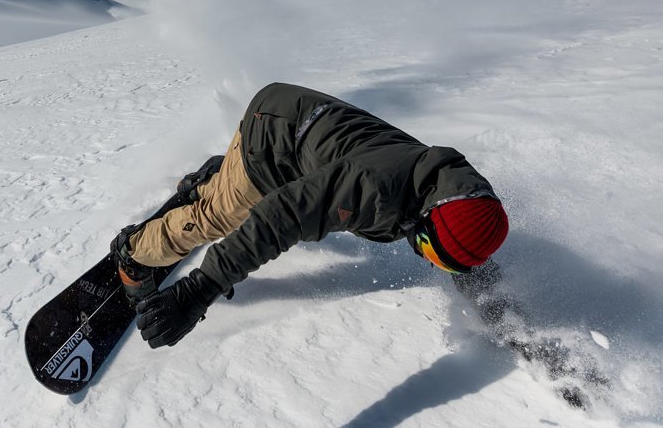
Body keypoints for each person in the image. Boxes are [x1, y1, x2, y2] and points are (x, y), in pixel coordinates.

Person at [111, 82, 509, 349]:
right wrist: (200, 289)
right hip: (270, 145)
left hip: (300, 126)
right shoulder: (374, 188)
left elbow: (462, 235)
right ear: (428, 216)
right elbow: (278, 219)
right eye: (427, 248)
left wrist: (492, 298)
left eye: (441, 262)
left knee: (258, 192)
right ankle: (133, 253)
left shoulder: (456, 186)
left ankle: (216, 176)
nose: (425, 256)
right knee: (217, 216)